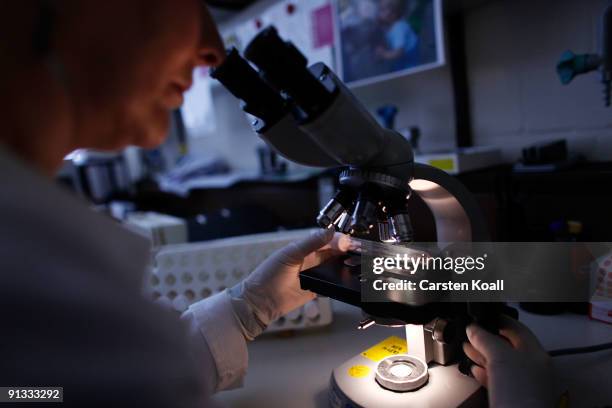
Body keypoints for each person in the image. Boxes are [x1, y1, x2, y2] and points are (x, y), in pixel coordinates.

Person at [0, 1, 554, 407]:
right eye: (195, 5)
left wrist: (247, 308)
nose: (212, 48)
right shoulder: (42, 302)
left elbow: (65, 388)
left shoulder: (40, 317)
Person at [375, 0, 419, 71]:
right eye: (379, 9)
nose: (378, 13)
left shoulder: (398, 29)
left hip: (410, 55)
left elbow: (399, 52)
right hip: (403, 51)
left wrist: (384, 54)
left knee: (408, 70)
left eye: (382, 10)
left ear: (393, 14)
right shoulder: (389, 24)